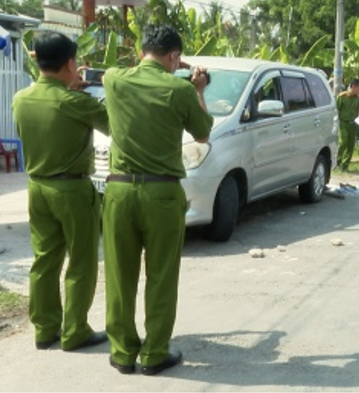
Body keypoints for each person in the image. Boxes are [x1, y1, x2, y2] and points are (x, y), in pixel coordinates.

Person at [102, 24, 213, 375]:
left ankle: (122, 352)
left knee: (120, 275)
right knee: (161, 275)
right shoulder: (180, 91)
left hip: (119, 191)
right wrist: (197, 88)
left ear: (141, 50)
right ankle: (153, 354)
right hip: (162, 193)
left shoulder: (114, 80)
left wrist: (172, 65)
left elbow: (129, 69)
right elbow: (203, 132)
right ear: (175, 56)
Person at [12, 32, 109, 351]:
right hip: (72, 188)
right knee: (81, 261)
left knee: (44, 260)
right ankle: (75, 331)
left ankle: (45, 329)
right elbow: (112, 125)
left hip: (37, 187)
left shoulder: (20, 99)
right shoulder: (77, 102)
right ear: (70, 63)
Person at [336, 78, 359, 171]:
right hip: (343, 123)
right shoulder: (342, 97)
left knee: (351, 145)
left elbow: (358, 111)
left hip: (353, 123)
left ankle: (345, 165)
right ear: (353, 87)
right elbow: (336, 110)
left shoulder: (357, 99)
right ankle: (337, 163)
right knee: (343, 142)